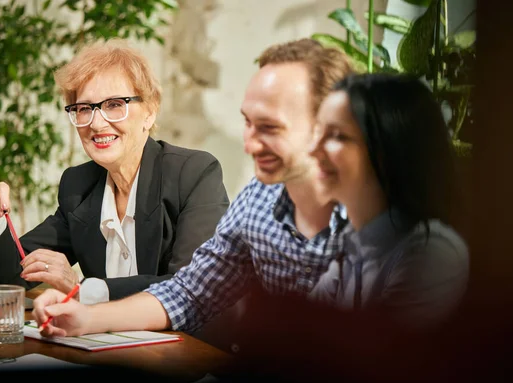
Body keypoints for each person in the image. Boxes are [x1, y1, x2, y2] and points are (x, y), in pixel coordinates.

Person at [30, 38, 356, 338]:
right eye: (247, 122)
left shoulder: (385, 223)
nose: (249, 143)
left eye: (269, 126)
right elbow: (189, 292)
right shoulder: (257, 200)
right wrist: (84, 319)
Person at [0, 38, 230, 304]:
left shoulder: (193, 173)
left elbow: (192, 285)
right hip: (103, 340)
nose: (97, 123)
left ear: (150, 111)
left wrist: (83, 289)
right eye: (84, 108)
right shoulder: (79, 186)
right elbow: (11, 278)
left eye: (115, 104)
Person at [308, 73, 469, 328]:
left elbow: (365, 359)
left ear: (387, 149)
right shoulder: (352, 240)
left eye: (337, 136)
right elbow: (302, 337)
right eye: (318, 132)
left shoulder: (432, 253)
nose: (313, 149)